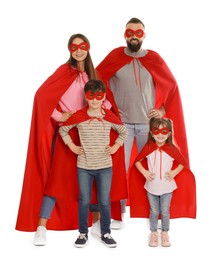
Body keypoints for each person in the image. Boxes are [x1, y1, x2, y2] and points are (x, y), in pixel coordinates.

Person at [15, 33, 118, 245]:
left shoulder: (93, 74)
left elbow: (104, 101)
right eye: (74, 47)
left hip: (91, 134)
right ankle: (41, 226)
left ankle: (97, 224)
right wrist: (60, 116)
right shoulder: (64, 72)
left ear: (88, 48)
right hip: (68, 133)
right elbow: (42, 96)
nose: (79, 50)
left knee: (95, 179)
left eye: (83, 46)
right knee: (57, 179)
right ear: (69, 50)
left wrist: (109, 114)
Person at [96, 17, 190, 229]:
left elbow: (171, 86)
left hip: (149, 127)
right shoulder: (115, 56)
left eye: (139, 33)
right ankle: (118, 212)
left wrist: (163, 110)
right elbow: (98, 79)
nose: (134, 36)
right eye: (130, 32)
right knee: (119, 169)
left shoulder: (153, 58)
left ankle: (155, 212)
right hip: (123, 125)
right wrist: (109, 106)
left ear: (144, 35)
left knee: (155, 167)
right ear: (124, 35)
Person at [58, 79, 128, 248]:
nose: (95, 100)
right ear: (86, 97)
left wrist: (116, 146)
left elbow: (123, 131)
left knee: (104, 201)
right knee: (84, 200)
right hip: (84, 166)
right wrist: (72, 146)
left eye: (99, 96)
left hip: (105, 166)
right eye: (91, 96)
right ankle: (83, 233)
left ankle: (106, 233)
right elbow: (63, 129)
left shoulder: (108, 116)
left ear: (103, 97)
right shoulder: (80, 116)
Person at [129, 117, 196, 247]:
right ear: (151, 133)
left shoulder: (172, 149)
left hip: (167, 187)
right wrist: (145, 172)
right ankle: (153, 233)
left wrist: (174, 172)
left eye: (164, 131)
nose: (160, 135)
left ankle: (165, 233)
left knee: (165, 211)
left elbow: (183, 163)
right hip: (151, 187)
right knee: (154, 211)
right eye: (156, 131)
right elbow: (137, 161)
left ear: (169, 133)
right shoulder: (148, 147)